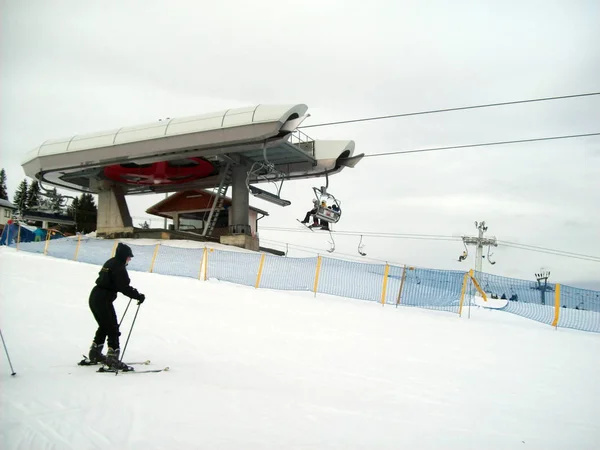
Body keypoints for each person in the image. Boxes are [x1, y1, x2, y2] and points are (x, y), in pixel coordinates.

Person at [87, 242, 145, 370]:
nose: (129, 259)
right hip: (103, 299)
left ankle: (95, 352)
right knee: (112, 327)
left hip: (95, 296)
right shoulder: (119, 266)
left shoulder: (110, 262)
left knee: (104, 325)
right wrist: (138, 296)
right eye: (129, 257)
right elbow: (123, 287)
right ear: (124, 256)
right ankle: (113, 358)